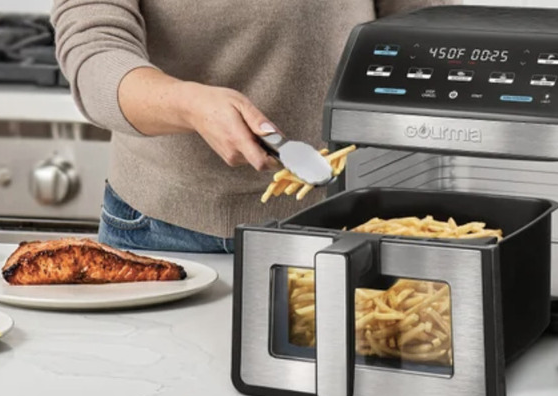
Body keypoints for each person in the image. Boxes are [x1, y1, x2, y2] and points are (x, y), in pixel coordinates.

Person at [51, 0, 456, 253]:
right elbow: (94, 49)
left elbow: (417, 22)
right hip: (161, 229)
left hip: (341, 215)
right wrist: (190, 105)